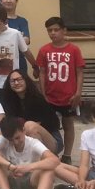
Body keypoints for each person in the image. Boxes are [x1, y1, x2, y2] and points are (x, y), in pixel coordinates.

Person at [37, 16, 85, 164]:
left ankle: (67, 155)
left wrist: (78, 93)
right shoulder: (44, 50)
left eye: (56, 30)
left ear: (64, 30)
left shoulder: (74, 50)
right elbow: (42, 72)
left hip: (68, 96)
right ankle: (50, 152)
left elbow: (79, 72)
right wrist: (43, 93)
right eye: (50, 30)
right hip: (50, 96)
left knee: (68, 125)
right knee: (48, 125)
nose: (53, 33)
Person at [0, 116, 60, 189]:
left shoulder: (33, 143)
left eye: (17, 138)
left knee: (48, 169)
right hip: (8, 181)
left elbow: (54, 160)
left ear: (23, 130)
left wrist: (28, 167)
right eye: (11, 140)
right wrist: (9, 165)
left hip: (28, 184)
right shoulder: (4, 139)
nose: (15, 142)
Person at [0, 5, 38, 99]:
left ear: (6, 22)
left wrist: (35, 67)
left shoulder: (15, 33)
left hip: (11, 82)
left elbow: (26, 51)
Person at [1, 71, 61, 153]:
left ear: (26, 80)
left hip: (52, 140)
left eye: (19, 79)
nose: (16, 83)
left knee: (29, 126)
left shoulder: (38, 99)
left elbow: (47, 124)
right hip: (25, 137)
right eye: (12, 81)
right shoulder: (9, 101)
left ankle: (43, 160)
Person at [0, 0, 31, 76]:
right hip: (0, 61)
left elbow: (26, 41)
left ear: (16, 1)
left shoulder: (22, 21)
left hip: (19, 62)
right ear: (1, 1)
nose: (8, 1)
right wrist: (17, 38)